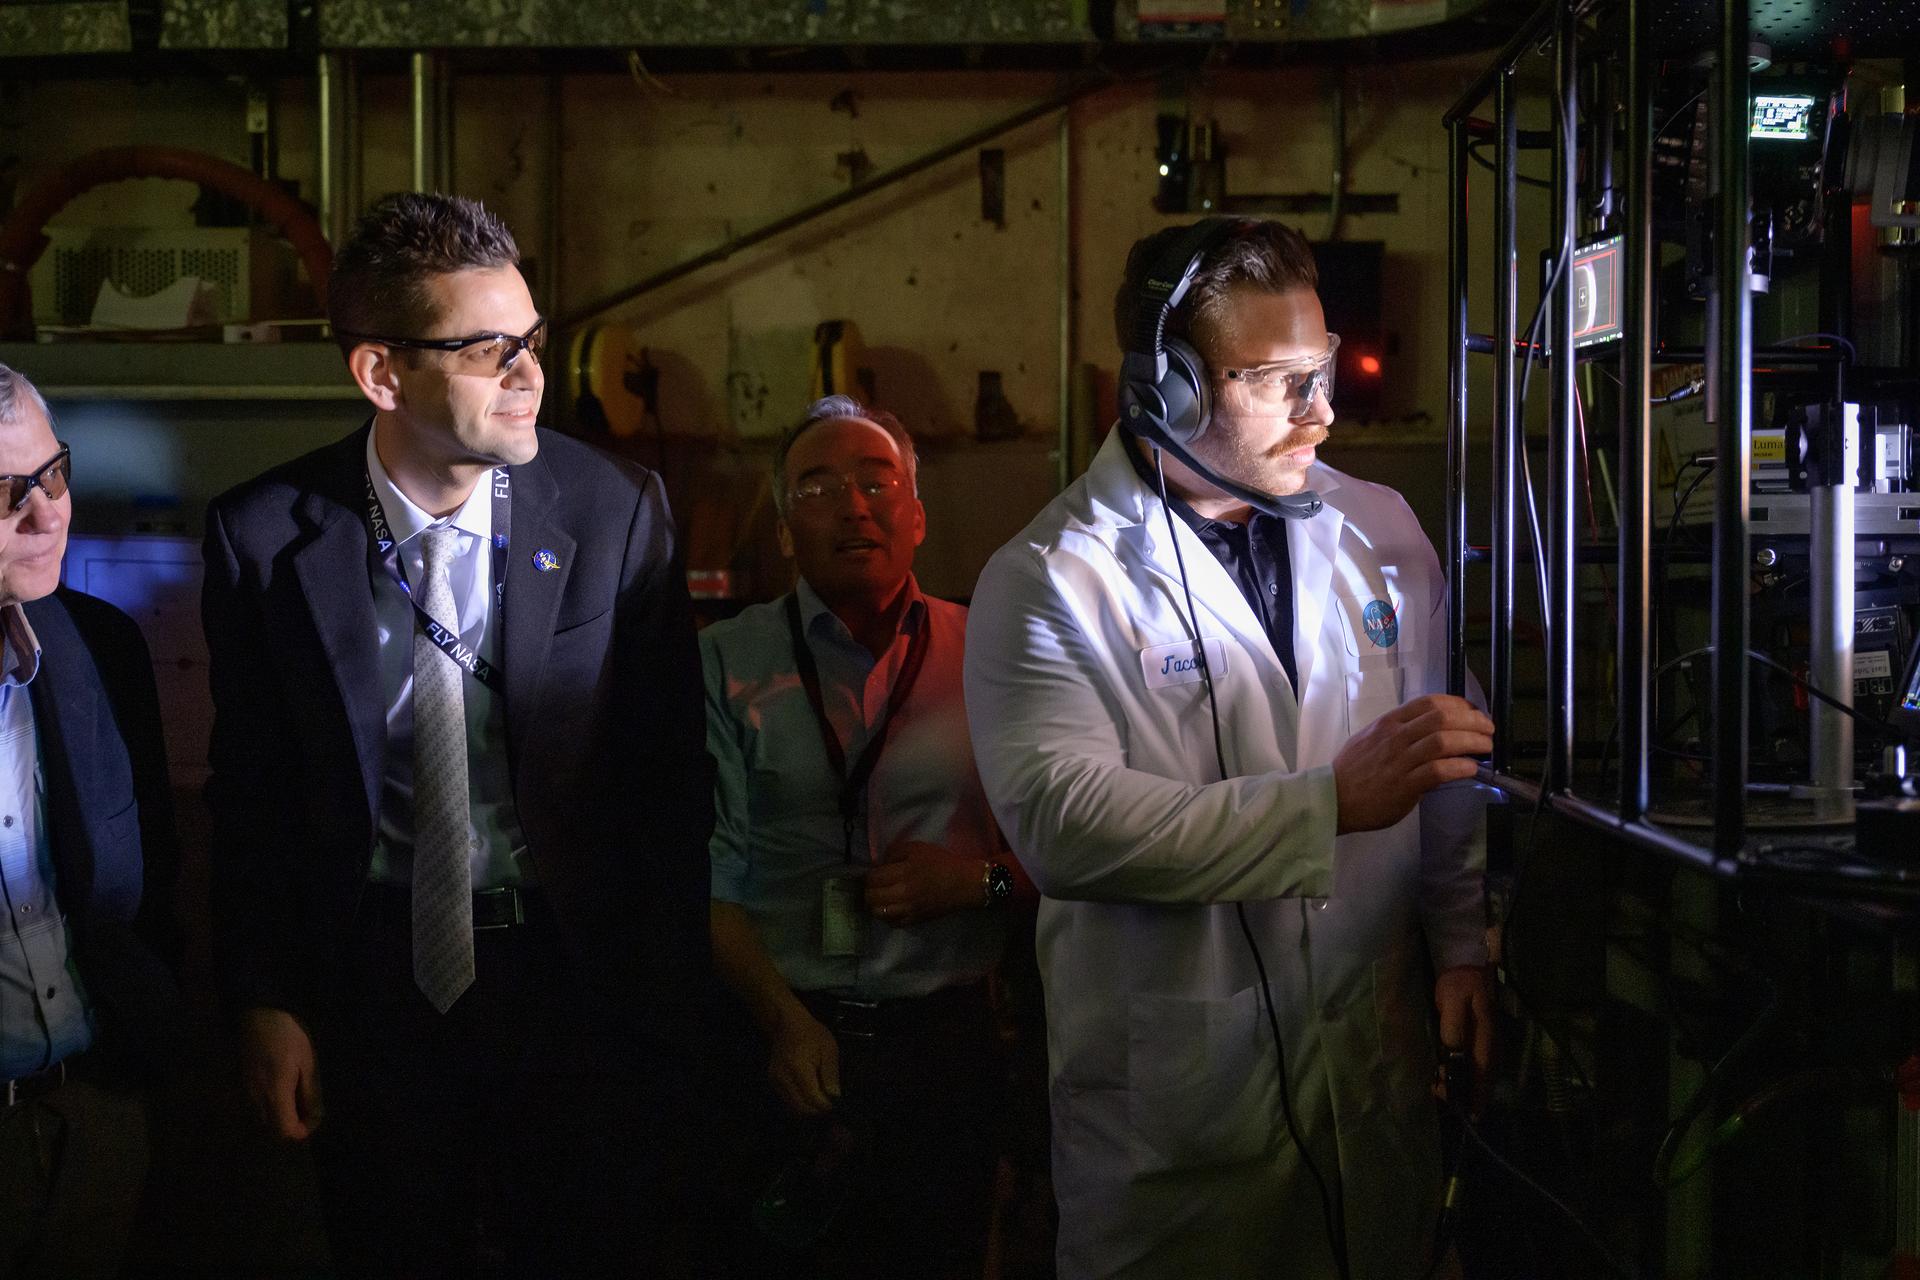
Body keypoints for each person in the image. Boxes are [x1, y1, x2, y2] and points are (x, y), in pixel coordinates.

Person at [962, 217, 1495, 1280]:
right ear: (1169, 388)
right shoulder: (1052, 577)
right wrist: (1326, 804)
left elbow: (1440, 756)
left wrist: (1465, 938)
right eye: (1279, 381)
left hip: (1374, 1075)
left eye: (1325, 369)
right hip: (1181, 1132)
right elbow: (1068, 826)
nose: (1324, 413)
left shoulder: (1381, 530)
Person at [201, 193, 712, 1276]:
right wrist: (267, 998)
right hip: (372, 980)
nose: (529, 373)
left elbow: (669, 783)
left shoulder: (618, 510)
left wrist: (657, 1006)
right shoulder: (263, 536)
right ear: (382, 375)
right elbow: (251, 794)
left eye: (531, 340)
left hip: (567, 976)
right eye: (489, 351)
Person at [702, 395, 1033, 1278]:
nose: (853, 504)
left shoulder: (994, 654)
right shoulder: (724, 661)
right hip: (777, 1034)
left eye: (876, 481)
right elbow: (707, 875)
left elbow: (1068, 851)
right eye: (818, 487)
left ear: (916, 514)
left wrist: (975, 885)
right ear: (782, 532)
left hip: (945, 1044)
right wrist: (781, 1021)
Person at [0, 362, 180, 1279]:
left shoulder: (102, 645)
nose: (48, 514)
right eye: (6, 496)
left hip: (94, 1113)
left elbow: (151, 890)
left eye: (54, 475)